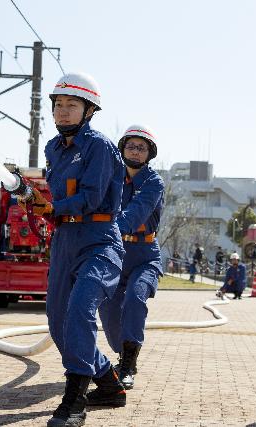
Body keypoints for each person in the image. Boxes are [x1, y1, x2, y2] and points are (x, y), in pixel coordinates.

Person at [28, 72, 126, 427]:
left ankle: (74, 402)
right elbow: (58, 199)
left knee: (80, 312)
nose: (63, 111)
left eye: (72, 105)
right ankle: (109, 383)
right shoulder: (53, 148)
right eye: (58, 105)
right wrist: (37, 202)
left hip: (99, 240)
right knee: (58, 325)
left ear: (89, 111)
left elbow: (91, 197)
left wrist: (54, 207)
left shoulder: (99, 146)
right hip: (64, 242)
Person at [94, 125, 165, 395]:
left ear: (149, 154)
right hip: (115, 254)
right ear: (122, 148)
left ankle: (128, 367)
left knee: (135, 298)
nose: (135, 151)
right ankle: (122, 353)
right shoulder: (111, 178)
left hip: (145, 257)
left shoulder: (153, 183)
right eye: (131, 146)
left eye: (141, 147)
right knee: (110, 314)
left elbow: (134, 215)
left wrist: (103, 229)